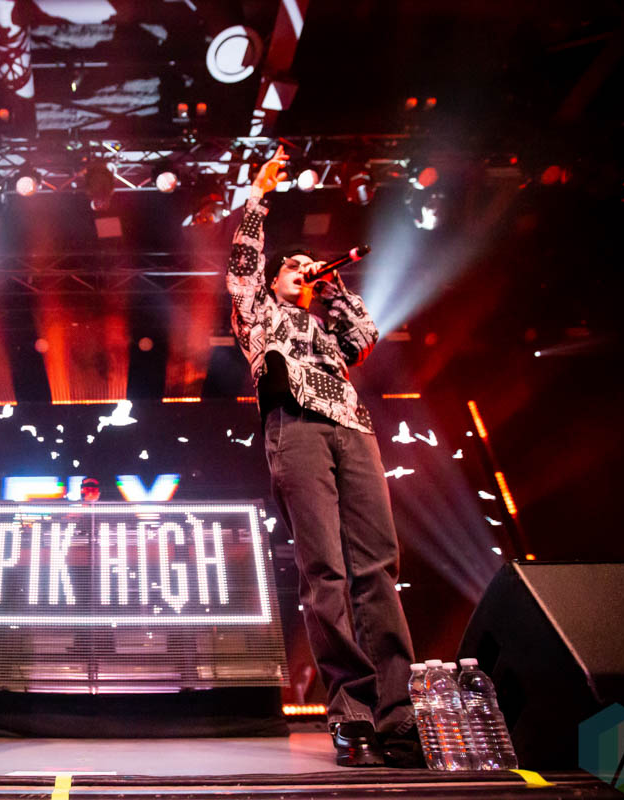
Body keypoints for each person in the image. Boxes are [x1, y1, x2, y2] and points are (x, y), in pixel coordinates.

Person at [226, 146, 420, 768]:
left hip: (353, 428)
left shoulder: (326, 323)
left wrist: (334, 283)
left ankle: (399, 712)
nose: (303, 271)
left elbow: (364, 337)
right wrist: (258, 196)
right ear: (275, 279)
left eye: (308, 268)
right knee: (326, 571)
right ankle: (354, 711)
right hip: (297, 428)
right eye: (293, 267)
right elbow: (242, 267)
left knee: (377, 567)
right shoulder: (257, 313)